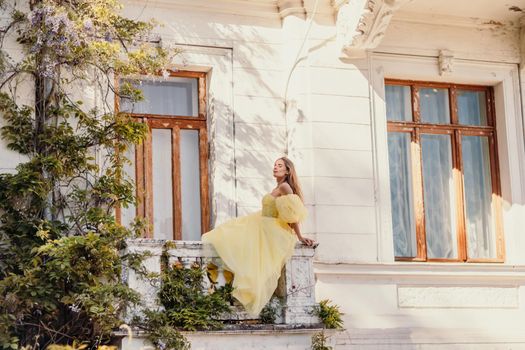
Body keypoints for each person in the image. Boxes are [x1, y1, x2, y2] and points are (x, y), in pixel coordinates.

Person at [202, 157, 315, 316]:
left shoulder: (284, 187)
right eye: (274, 165)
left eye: (280, 166)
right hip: (261, 224)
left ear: (288, 170)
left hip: (270, 229)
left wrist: (300, 236)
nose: (275, 167)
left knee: (253, 259)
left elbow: (292, 214)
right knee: (233, 240)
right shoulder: (278, 187)